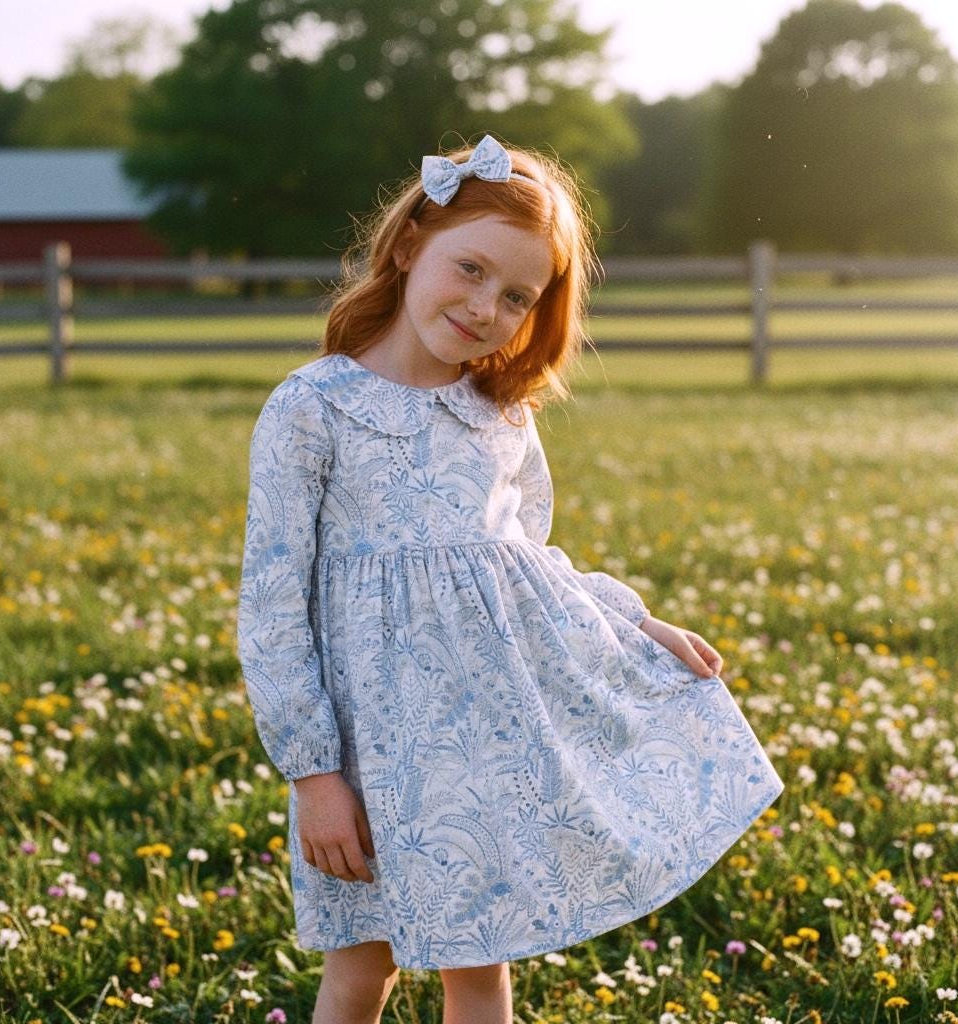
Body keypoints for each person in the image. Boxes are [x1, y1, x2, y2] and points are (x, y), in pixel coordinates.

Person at [237, 134, 785, 1024]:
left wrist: (633, 622)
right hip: (363, 754)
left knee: (480, 976)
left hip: (482, 749)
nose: (485, 306)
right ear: (411, 243)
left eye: (518, 294)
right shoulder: (314, 408)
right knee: (359, 970)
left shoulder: (499, 414)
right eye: (471, 268)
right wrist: (312, 774)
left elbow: (532, 562)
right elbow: (271, 607)